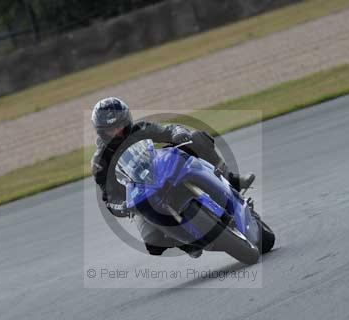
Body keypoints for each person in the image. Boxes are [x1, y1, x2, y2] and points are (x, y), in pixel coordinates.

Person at [90, 97, 255, 257]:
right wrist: (123, 206)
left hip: (163, 169)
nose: (117, 132)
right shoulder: (100, 162)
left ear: (127, 121)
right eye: (110, 130)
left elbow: (168, 130)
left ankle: (231, 179)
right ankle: (186, 244)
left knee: (197, 138)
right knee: (152, 242)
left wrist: (179, 133)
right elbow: (110, 198)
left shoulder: (140, 129)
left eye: (120, 126)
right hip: (138, 196)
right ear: (101, 131)